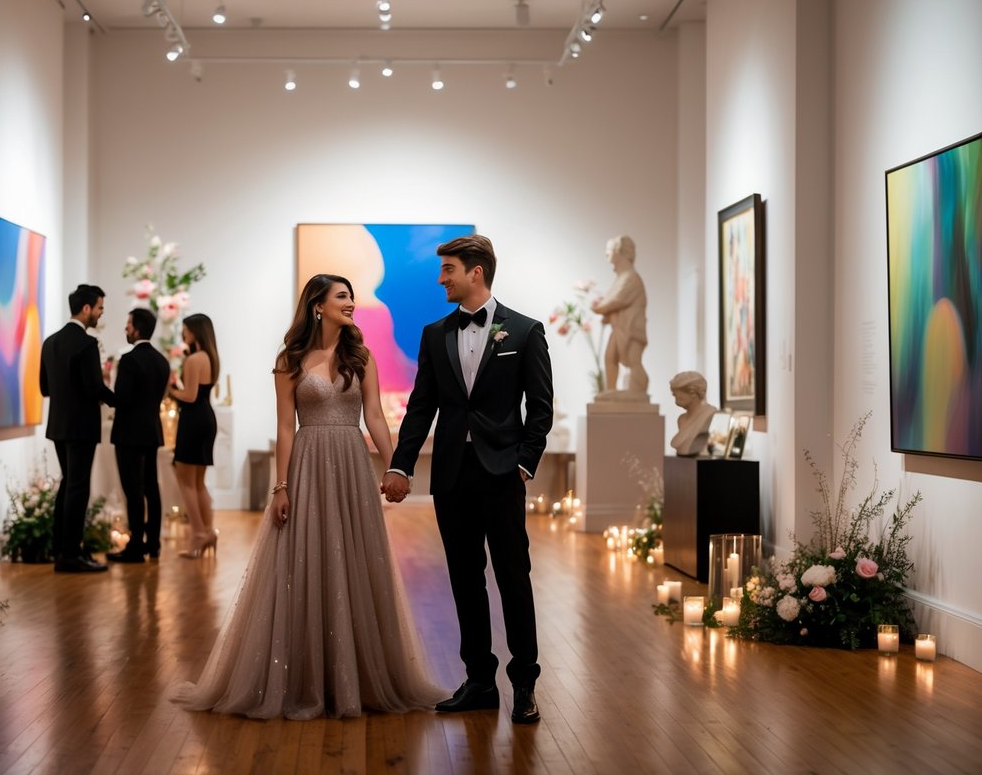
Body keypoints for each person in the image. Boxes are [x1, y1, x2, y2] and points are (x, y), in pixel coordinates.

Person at [174, 274, 446, 719]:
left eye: (352, 296)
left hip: (352, 467)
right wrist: (281, 487)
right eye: (342, 296)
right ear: (317, 305)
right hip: (307, 464)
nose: (352, 303)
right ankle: (304, 677)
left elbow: (374, 415)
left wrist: (396, 466)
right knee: (305, 561)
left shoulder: (361, 356)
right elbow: (285, 427)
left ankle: (356, 675)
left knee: (355, 562)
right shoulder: (291, 359)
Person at [382, 234, 554, 726]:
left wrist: (525, 462)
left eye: (448, 270)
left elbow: (540, 408)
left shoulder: (525, 331)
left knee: (513, 579)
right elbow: (421, 407)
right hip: (452, 477)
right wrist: (401, 464)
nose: (441, 279)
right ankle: (479, 680)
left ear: (475, 272)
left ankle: (524, 684)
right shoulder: (435, 334)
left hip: (503, 475)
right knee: (464, 579)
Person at [40, 284, 116, 573]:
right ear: (86, 309)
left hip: (58, 424)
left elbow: (45, 388)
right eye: (99, 308)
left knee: (67, 483)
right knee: (78, 487)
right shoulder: (86, 344)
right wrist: (120, 400)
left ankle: (61, 548)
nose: (100, 314)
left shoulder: (50, 342)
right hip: (82, 426)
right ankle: (71, 554)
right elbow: (95, 387)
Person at [108, 308, 171, 562]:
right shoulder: (162, 361)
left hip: (128, 434)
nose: (126, 329)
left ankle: (135, 545)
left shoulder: (130, 360)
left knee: (133, 490)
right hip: (151, 430)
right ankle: (153, 544)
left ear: (137, 329)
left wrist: (101, 388)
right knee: (151, 488)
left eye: (128, 324)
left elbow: (122, 399)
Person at [169, 313, 220, 559]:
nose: (183, 333)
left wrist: (170, 390)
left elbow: (189, 395)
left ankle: (198, 533)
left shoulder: (193, 360)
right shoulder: (211, 357)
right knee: (198, 481)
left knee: (185, 480)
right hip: (207, 418)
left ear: (195, 331)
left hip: (192, 420)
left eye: (186, 329)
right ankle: (208, 531)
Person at [590, 235, 649, 396]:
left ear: (618, 252)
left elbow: (617, 301)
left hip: (632, 329)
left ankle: (638, 392)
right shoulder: (621, 277)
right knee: (610, 357)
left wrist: (599, 308)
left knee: (633, 360)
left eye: (609, 251)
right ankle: (611, 390)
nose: (606, 255)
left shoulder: (631, 278)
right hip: (620, 328)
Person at [669, 371, 719, 456]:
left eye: (677, 392)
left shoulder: (710, 415)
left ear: (692, 392)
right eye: (674, 393)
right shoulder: (682, 419)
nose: (674, 395)